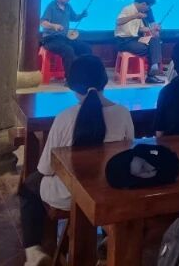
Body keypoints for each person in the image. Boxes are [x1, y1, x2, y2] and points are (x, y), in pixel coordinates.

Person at [19, 55, 134, 266]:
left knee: (28, 186)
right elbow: (128, 156)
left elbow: (46, 168)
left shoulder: (65, 117)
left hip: (68, 194)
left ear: (73, 85)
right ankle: (106, 243)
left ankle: (34, 252)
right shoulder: (123, 113)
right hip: (107, 192)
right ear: (104, 81)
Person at [39, 0, 91, 77]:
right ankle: (70, 79)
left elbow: (74, 18)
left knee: (85, 47)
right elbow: (42, 22)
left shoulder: (68, 7)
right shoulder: (51, 6)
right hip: (50, 39)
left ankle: (85, 75)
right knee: (68, 50)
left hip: (63, 38)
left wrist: (82, 15)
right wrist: (53, 25)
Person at [115, 0, 161, 73]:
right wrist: (134, 16)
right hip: (124, 41)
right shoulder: (127, 9)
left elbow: (140, 29)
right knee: (150, 49)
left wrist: (152, 29)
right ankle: (152, 71)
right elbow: (118, 21)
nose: (148, 9)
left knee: (155, 40)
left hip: (135, 39)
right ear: (143, 4)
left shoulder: (139, 12)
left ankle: (154, 66)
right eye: (148, 6)